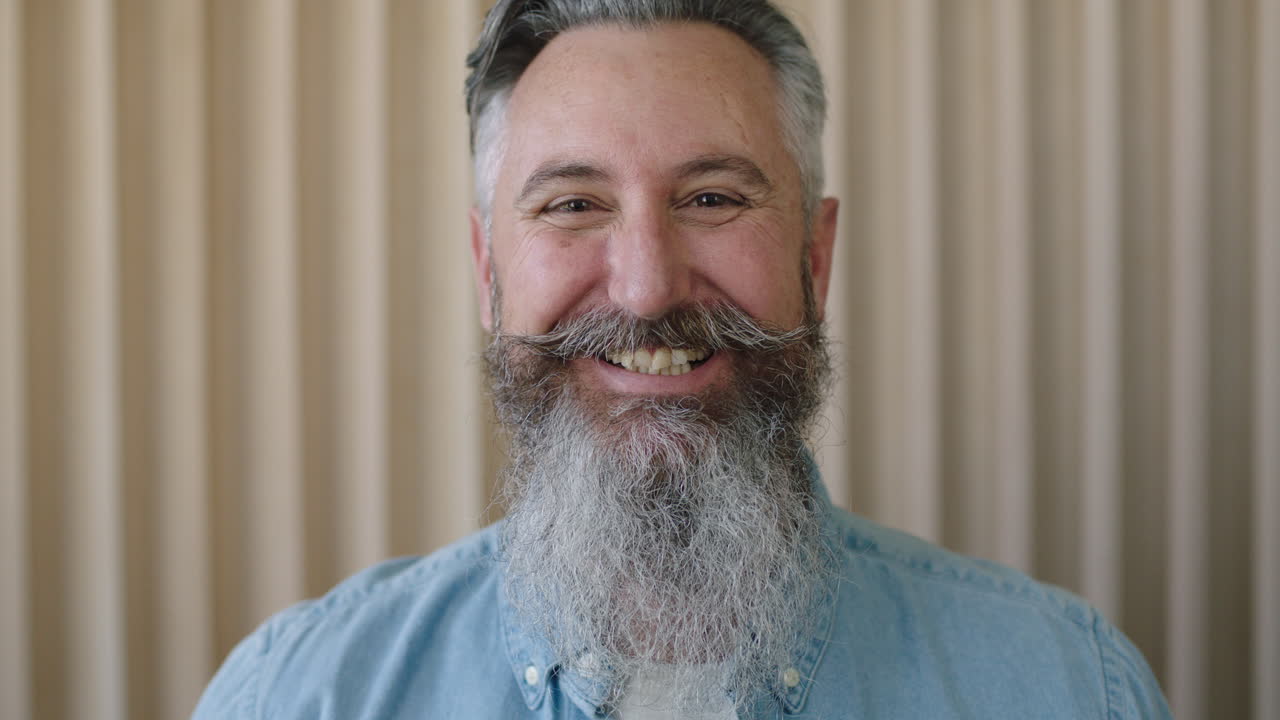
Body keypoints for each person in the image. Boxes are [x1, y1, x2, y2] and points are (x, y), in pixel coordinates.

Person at [193, 1, 1172, 718]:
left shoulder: (1065, 687)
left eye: (711, 197)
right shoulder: (302, 693)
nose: (645, 288)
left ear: (814, 257)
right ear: (488, 271)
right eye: (572, 204)